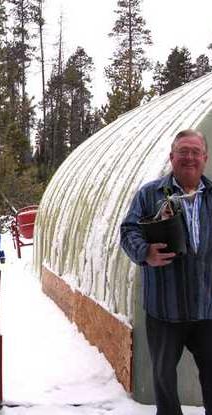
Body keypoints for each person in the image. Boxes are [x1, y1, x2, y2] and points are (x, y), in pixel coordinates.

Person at [120, 129, 212, 415]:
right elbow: (129, 231)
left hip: (208, 308)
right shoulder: (151, 194)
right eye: (183, 151)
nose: (189, 157)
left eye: (195, 152)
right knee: (164, 383)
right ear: (172, 157)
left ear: (205, 159)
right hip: (165, 309)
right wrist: (145, 253)